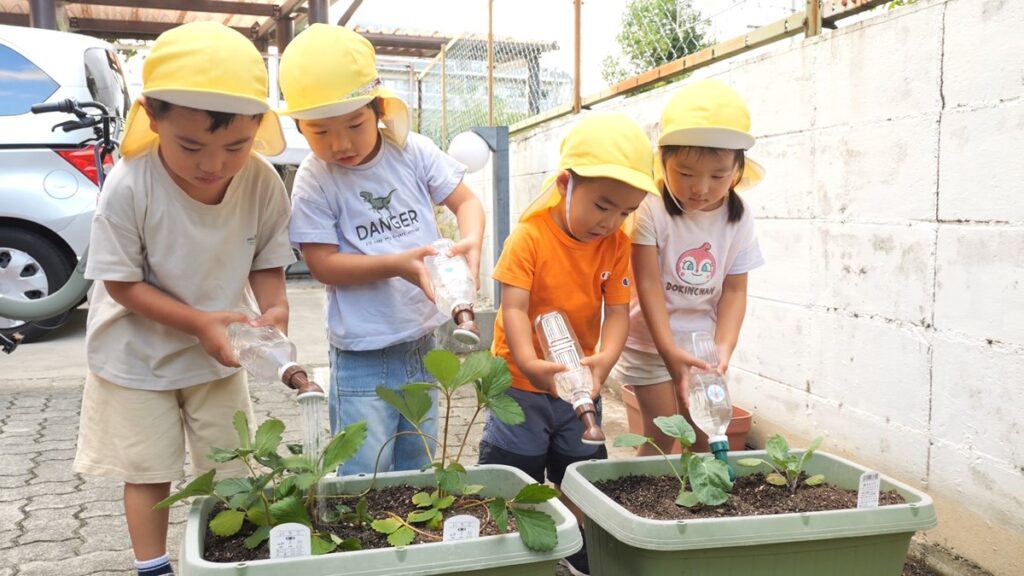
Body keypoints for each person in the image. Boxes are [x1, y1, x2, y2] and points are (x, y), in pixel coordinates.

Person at [71, 22, 294, 576]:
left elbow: (268, 261)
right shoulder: (129, 184)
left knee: (234, 463)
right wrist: (197, 323)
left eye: (236, 146)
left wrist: (276, 309)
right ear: (152, 116)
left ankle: (239, 559)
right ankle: (154, 567)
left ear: (259, 129)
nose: (213, 164)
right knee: (149, 469)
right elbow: (120, 284)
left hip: (220, 352)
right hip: (134, 354)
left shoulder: (263, 182)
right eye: (190, 145)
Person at [278, 24, 485, 476]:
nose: (341, 144)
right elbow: (322, 264)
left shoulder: (411, 151)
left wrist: (470, 242)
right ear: (298, 127)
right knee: (364, 469)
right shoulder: (316, 178)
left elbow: (466, 202)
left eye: (354, 124)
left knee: (418, 460)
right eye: (320, 131)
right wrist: (399, 265)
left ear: (378, 110)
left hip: (421, 344)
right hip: (361, 353)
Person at [477, 112, 659, 576]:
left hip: (577, 381)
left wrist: (604, 361)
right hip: (520, 384)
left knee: (581, 476)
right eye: (602, 205)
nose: (611, 220)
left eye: (625, 210)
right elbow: (514, 309)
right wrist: (530, 363)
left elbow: (617, 311)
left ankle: (575, 552)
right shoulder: (530, 237)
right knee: (513, 475)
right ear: (564, 184)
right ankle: (509, 553)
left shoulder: (616, 243)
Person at [611, 79, 765, 455]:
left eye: (717, 176)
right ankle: (642, 509)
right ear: (663, 162)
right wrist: (667, 350)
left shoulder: (739, 217)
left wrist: (723, 349)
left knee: (704, 435)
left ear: (737, 171)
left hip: (701, 346)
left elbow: (735, 290)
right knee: (662, 436)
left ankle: (701, 509)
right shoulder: (651, 209)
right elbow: (646, 285)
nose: (701, 189)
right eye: (685, 173)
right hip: (649, 341)